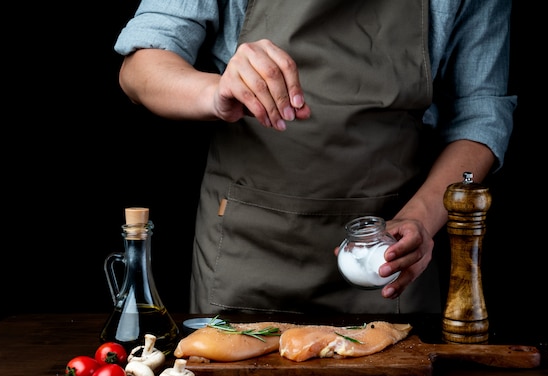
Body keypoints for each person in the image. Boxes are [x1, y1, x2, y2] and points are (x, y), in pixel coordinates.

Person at [114, 0, 516, 315]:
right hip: (248, 250)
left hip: (387, 252)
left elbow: (480, 113)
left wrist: (422, 219)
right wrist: (215, 93)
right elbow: (139, 69)